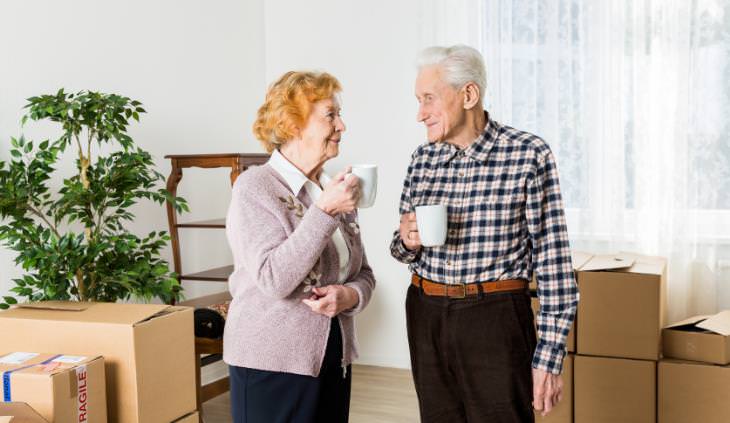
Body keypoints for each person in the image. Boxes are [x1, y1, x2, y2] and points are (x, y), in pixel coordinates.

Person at [390, 45, 579, 422]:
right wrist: (407, 240)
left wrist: (550, 357)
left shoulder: (528, 154)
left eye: (429, 99)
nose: (420, 113)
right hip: (426, 312)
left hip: (494, 318)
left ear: (469, 94)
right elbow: (400, 248)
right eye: (418, 100)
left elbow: (554, 263)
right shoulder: (422, 159)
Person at [224, 70, 376, 423]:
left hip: (331, 357)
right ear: (293, 124)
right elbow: (274, 279)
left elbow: (364, 273)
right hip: (270, 362)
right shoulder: (255, 187)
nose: (342, 126)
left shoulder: (330, 188)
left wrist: (349, 296)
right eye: (330, 115)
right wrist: (324, 212)